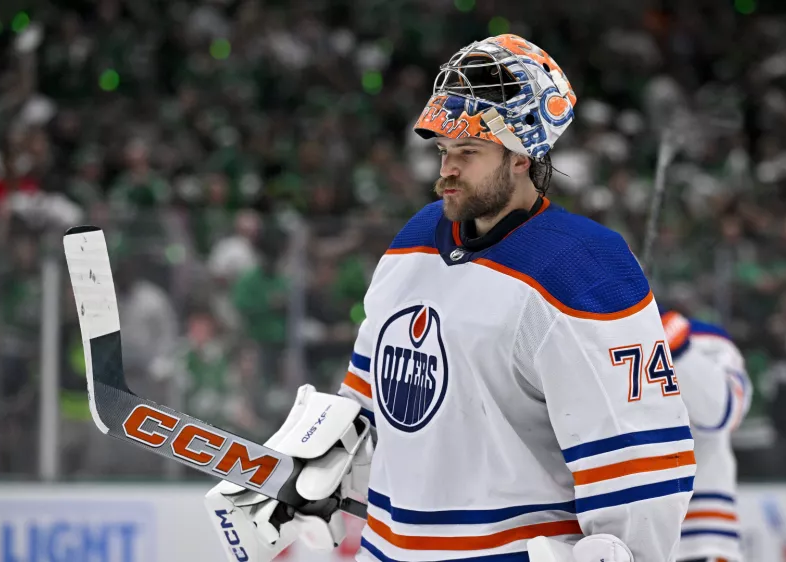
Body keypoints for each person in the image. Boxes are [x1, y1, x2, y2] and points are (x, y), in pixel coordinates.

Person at [204, 34, 694, 562]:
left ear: (522, 157)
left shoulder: (582, 266)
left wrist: (627, 552)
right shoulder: (415, 239)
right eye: (443, 151)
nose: (446, 170)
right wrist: (305, 471)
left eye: (468, 151)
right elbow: (368, 399)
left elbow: (638, 458)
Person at [660, 310, 754, 562]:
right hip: (614, 539)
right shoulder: (581, 334)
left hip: (699, 542)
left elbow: (724, 410)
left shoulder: (704, 338)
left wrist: (680, 351)